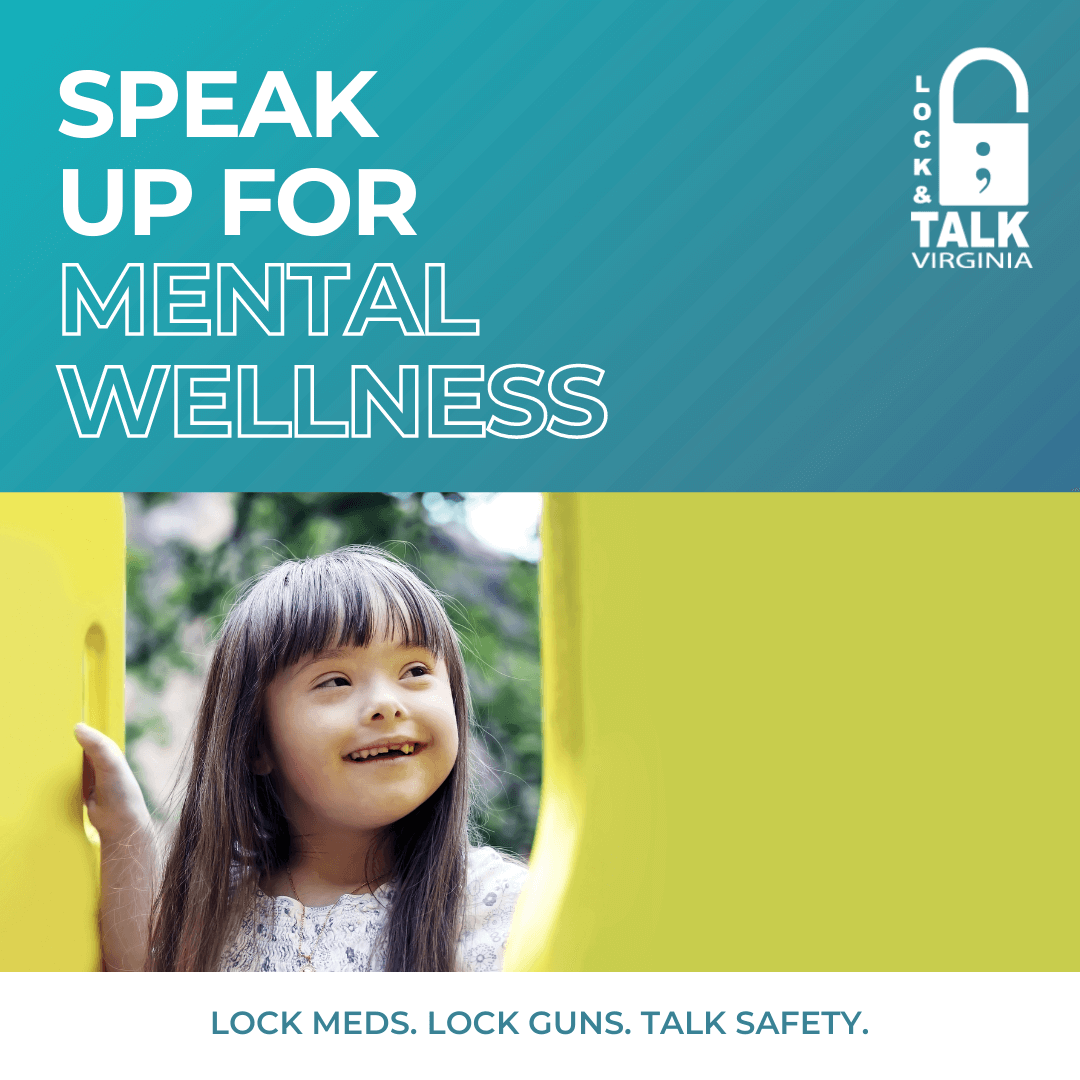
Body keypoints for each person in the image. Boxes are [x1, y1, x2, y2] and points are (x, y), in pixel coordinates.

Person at [74, 546, 527, 971]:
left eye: (415, 671)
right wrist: (124, 831)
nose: (387, 704)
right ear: (257, 742)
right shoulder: (218, 911)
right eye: (335, 681)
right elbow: (149, 1001)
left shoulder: (505, 905)